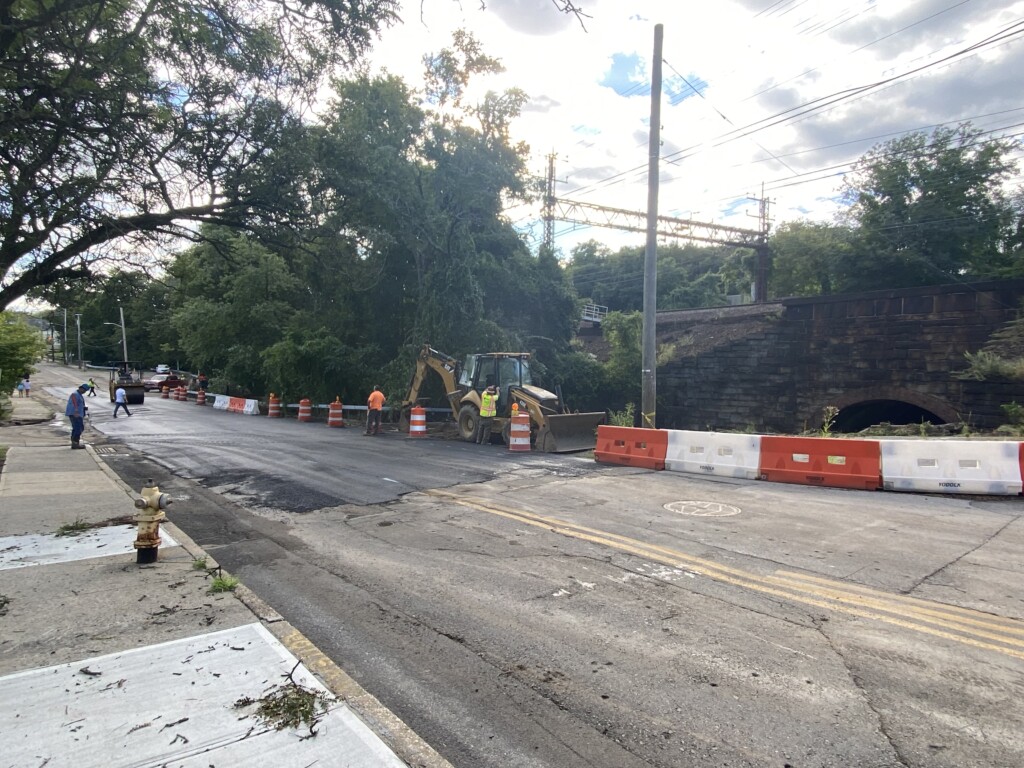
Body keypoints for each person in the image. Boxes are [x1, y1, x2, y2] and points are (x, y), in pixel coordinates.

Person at [66, 383, 89, 449]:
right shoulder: (75, 394)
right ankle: (75, 443)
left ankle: (75, 442)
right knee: (78, 428)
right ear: (81, 388)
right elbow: (74, 402)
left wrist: (84, 408)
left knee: (78, 428)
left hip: (78, 413)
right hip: (75, 414)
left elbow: (78, 404)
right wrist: (76, 411)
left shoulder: (79, 395)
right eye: (85, 390)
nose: (85, 392)